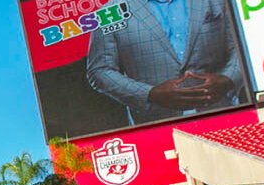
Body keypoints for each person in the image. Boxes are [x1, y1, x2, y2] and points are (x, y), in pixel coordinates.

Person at [86, 0, 246, 125]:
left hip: (223, 113)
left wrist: (227, 79)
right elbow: (101, 70)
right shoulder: (109, 13)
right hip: (155, 125)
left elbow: (244, 42)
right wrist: (150, 94)